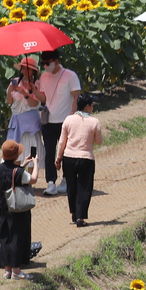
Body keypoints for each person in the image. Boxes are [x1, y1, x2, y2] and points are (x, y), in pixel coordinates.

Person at [36, 50, 80, 197]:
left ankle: (66, 180)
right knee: (49, 152)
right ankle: (50, 182)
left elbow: (76, 97)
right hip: (48, 121)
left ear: (56, 61)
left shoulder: (70, 76)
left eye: (48, 63)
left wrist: (72, 116)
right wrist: (32, 91)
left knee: (66, 153)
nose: (45, 66)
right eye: (43, 63)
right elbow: (43, 97)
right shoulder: (43, 77)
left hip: (65, 122)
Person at [56, 93, 102, 227]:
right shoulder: (94, 122)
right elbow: (99, 142)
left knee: (71, 186)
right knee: (84, 187)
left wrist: (58, 158)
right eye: (92, 105)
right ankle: (80, 217)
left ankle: (74, 213)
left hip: (68, 158)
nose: (93, 108)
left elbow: (62, 142)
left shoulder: (68, 120)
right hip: (86, 158)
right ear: (87, 106)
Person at [0, 140, 37, 280]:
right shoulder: (18, 172)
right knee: (17, 238)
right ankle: (17, 271)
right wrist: (35, 163)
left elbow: (11, 174)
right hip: (18, 210)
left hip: (4, 208)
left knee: (5, 237)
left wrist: (22, 166)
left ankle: (7, 270)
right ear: (16, 155)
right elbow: (33, 179)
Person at [6, 57, 43, 166]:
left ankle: (31, 177)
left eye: (28, 69)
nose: (25, 72)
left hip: (31, 121)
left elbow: (35, 103)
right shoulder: (15, 82)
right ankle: (17, 175)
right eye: (23, 69)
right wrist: (10, 91)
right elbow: (9, 102)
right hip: (17, 120)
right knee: (16, 149)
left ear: (33, 71)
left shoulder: (37, 84)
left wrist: (24, 93)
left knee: (32, 148)